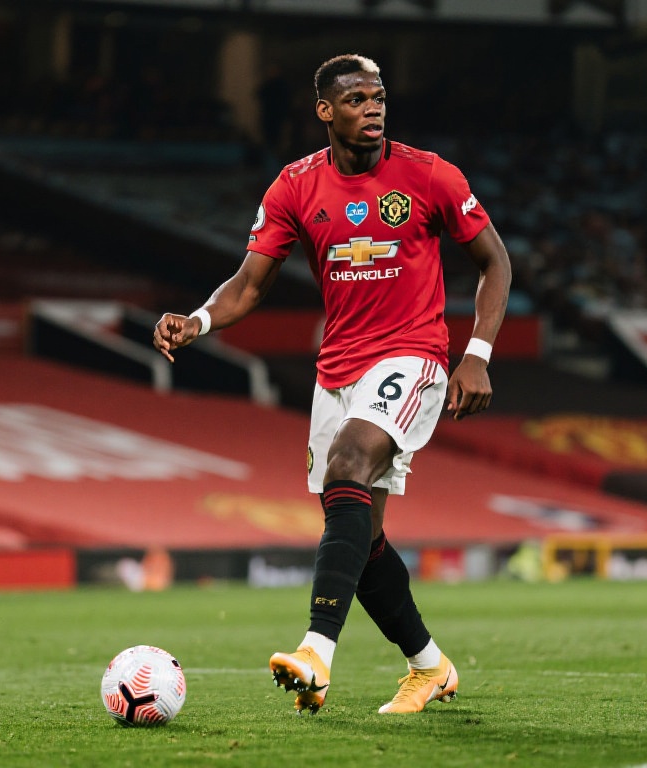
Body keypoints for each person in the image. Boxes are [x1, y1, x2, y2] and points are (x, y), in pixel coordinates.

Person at [153, 53, 511, 715]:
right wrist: (197, 320)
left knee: (349, 462)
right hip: (337, 370)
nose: (372, 109)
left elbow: (496, 261)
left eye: (379, 98)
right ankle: (429, 667)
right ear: (324, 110)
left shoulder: (429, 174)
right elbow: (249, 283)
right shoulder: (295, 186)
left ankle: (316, 653)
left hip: (412, 355)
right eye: (355, 100)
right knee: (359, 537)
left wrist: (478, 354)